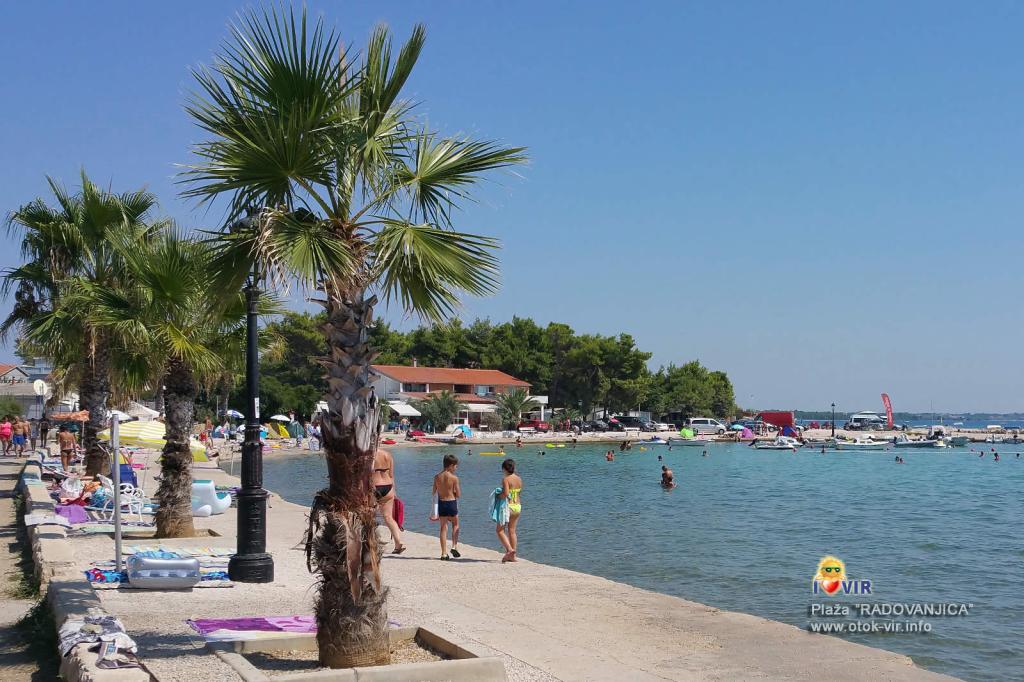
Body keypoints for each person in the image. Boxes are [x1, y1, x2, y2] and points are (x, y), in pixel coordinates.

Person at [372, 448, 405, 554]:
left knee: (370, 516)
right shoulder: (388, 455)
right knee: (388, 517)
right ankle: (398, 543)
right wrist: (394, 491)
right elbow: (391, 475)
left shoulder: (370, 454)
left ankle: (372, 543)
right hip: (388, 487)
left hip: (375, 486)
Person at [430, 454, 461, 560]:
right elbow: (458, 494)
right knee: (455, 524)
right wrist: (454, 493)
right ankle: (454, 546)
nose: (456, 468)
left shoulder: (437, 477)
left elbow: (433, 492)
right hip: (451, 503)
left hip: (442, 503)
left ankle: (443, 553)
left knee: (443, 528)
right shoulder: (454, 478)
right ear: (451, 465)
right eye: (455, 466)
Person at [496, 459, 523, 563]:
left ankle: (509, 550)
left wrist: (498, 495)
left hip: (509, 506)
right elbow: (519, 492)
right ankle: (513, 556)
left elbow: (506, 494)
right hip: (518, 506)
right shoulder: (519, 479)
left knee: (499, 530)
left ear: (504, 469)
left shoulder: (506, 479)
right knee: (512, 530)